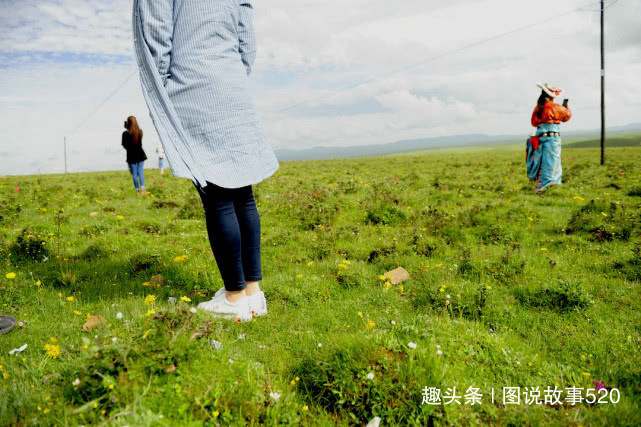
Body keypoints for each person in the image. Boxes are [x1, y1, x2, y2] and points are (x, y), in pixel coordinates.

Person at [134, 0, 279, 321]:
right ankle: (253, 295)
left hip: (193, 82)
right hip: (231, 81)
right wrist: (235, 70)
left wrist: (164, 87)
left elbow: (155, 33)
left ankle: (234, 298)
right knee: (242, 190)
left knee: (217, 193)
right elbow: (245, 25)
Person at [527, 83, 572, 193]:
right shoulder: (555, 107)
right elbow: (567, 116)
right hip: (552, 139)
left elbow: (533, 122)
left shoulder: (538, 107)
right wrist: (566, 106)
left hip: (540, 138)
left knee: (540, 163)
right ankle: (549, 189)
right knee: (552, 164)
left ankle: (539, 187)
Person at [121, 116, 148, 194]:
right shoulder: (140, 131)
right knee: (140, 172)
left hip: (131, 155)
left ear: (128, 123)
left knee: (134, 174)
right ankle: (143, 190)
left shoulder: (125, 133)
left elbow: (124, 145)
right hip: (140, 154)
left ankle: (137, 191)